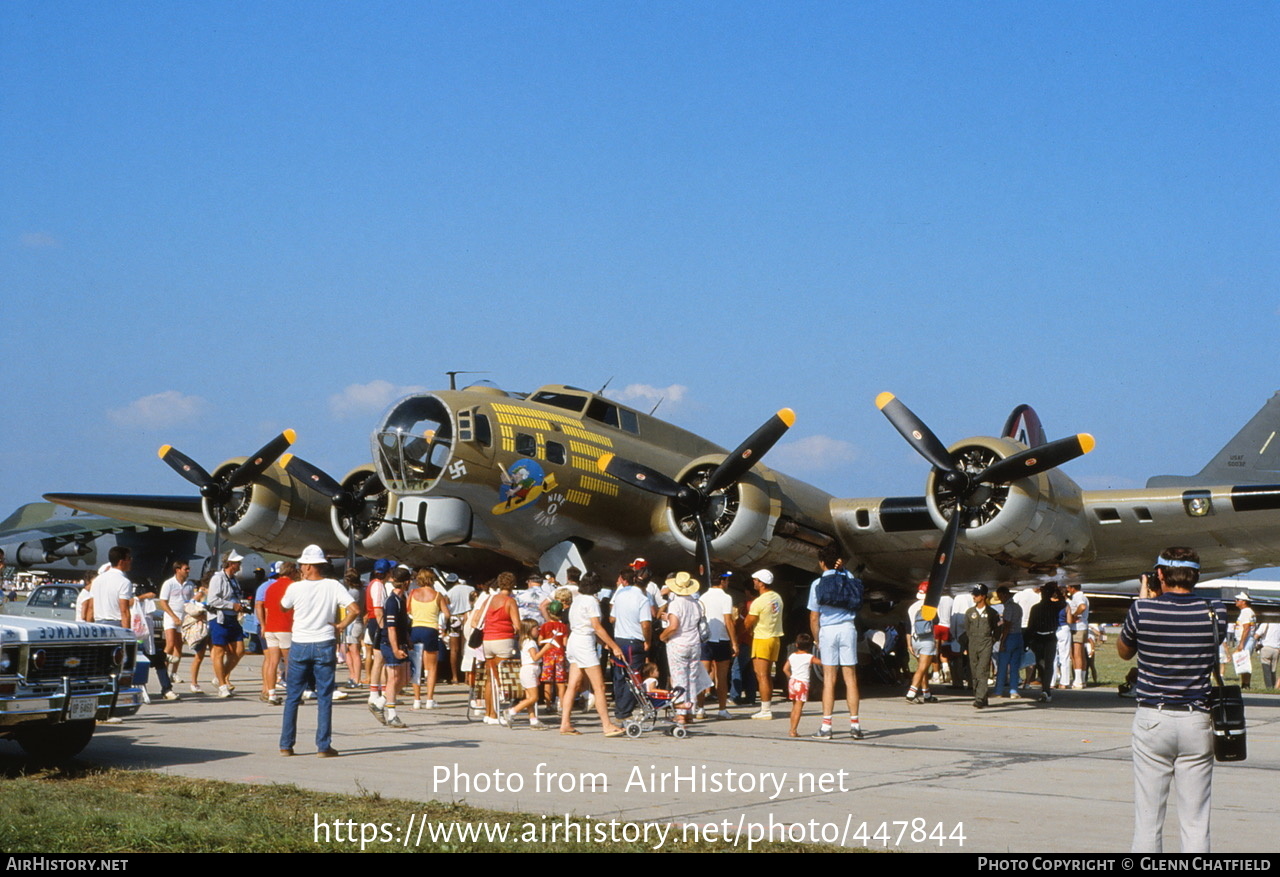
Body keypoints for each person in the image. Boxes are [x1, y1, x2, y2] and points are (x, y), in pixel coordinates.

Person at [1117, 547, 1225, 853]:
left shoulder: (1143, 610)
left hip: (1154, 717)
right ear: (1196, 576)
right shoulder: (1215, 610)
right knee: (1195, 820)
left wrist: (1145, 598)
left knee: (1148, 820)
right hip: (1197, 718)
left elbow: (1125, 652)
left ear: (1159, 574)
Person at [279, 545, 357, 757]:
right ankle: (323, 746)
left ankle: (286, 745)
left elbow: (283, 606)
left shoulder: (295, 587)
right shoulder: (333, 585)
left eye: (303, 564)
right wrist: (341, 625)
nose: (301, 567)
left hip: (300, 643)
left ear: (310, 566)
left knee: (293, 696)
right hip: (324, 642)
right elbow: (355, 609)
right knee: (324, 696)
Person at [806, 545, 864, 740]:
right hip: (848, 628)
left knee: (829, 679)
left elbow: (814, 617)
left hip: (828, 631)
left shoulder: (817, 584)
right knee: (851, 678)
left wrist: (816, 637)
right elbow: (852, 581)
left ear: (822, 563)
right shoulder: (849, 579)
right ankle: (855, 725)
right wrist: (843, 568)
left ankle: (826, 726)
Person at [559, 572, 625, 737]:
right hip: (585, 643)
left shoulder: (577, 600)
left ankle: (565, 723)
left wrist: (603, 643)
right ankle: (607, 725)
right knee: (599, 686)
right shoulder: (591, 602)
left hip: (575, 641)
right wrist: (614, 645)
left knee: (573, 685)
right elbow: (596, 626)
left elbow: (586, 626)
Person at [660, 572, 711, 727]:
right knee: (692, 678)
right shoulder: (695, 603)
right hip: (694, 643)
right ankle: (690, 711)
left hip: (678, 643)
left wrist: (663, 636)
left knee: (679, 678)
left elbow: (674, 625)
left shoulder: (676, 604)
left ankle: (681, 713)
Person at [609, 567, 652, 721]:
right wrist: (648, 641)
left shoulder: (619, 595)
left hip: (619, 639)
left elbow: (612, 618)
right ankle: (625, 711)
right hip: (634, 640)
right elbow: (646, 624)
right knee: (633, 675)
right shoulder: (642, 599)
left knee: (620, 676)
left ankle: (620, 708)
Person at [206, 550, 246, 698]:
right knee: (219, 651)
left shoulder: (234, 579)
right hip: (219, 618)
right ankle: (222, 686)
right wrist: (231, 605)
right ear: (230, 563)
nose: (239, 565)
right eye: (237, 563)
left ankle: (220, 675)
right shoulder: (218, 578)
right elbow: (212, 600)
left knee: (239, 650)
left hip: (233, 618)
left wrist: (239, 606)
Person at [408, 568, 450, 710]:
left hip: (416, 628)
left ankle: (417, 699)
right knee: (431, 668)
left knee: (416, 667)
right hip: (431, 629)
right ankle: (430, 699)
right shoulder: (437, 595)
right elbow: (447, 614)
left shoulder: (413, 593)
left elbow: (408, 610)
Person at [745, 569, 783, 720]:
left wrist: (748, 629)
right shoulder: (777, 597)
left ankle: (765, 709)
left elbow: (748, 621)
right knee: (767, 675)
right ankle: (766, 706)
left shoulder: (759, 601)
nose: (754, 582)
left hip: (762, 638)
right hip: (775, 637)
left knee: (761, 675)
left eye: (756, 580)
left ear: (761, 583)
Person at [257, 561, 295, 704]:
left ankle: (271, 693)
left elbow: (265, 608)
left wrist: (264, 625)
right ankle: (292, 693)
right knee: (290, 662)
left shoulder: (270, 587)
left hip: (271, 627)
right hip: (285, 626)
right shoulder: (292, 586)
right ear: (292, 572)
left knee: (272, 661)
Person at [700, 571, 737, 719]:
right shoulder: (726, 597)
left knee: (703, 675)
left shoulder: (703, 597)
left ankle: (700, 709)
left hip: (705, 639)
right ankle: (722, 709)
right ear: (722, 581)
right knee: (722, 677)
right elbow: (728, 620)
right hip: (721, 639)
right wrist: (734, 642)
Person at [965, 584, 999, 709]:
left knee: (982, 671)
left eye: (977, 594)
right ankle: (980, 696)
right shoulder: (970, 612)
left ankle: (980, 698)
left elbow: (997, 629)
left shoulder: (992, 613)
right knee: (974, 671)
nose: (974, 597)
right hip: (973, 642)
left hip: (986, 642)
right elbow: (967, 629)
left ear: (983, 596)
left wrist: (991, 641)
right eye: (973, 594)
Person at [905, 584, 939, 704]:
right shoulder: (930, 606)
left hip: (915, 639)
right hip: (927, 639)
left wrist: (909, 644)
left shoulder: (911, 607)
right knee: (922, 668)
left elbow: (908, 627)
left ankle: (927, 693)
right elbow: (936, 621)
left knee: (922, 667)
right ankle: (911, 693)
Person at [158, 560, 190, 683]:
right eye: (185, 569)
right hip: (171, 617)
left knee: (179, 646)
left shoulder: (190, 584)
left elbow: (190, 601)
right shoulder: (168, 583)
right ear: (177, 570)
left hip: (184, 618)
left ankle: (174, 673)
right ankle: (163, 671)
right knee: (170, 644)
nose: (188, 571)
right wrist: (173, 617)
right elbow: (163, 602)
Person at [785, 633, 820, 738]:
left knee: (794, 706)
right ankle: (793, 730)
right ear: (810, 647)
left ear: (796, 645)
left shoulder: (792, 656)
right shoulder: (809, 657)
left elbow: (785, 669)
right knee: (799, 708)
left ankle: (791, 728)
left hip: (793, 682)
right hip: (802, 683)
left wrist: (791, 676)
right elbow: (822, 663)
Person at [89, 547, 133, 627]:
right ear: (121, 562)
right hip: (115, 625)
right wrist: (128, 634)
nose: (131, 561)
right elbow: (124, 612)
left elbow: (91, 608)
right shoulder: (124, 582)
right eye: (129, 558)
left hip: (98, 624)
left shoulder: (97, 580)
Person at [994, 585, 1024, 698]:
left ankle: (998, 691)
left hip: (1009, 636)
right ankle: (1013, 690)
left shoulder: (1008, 608)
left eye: (1000, 596)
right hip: (1018, 635)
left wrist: (1002, 641)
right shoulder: (1018, 607)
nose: (1000, 599)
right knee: (1014, 666)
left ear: (1005, 595)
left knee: (1002, 665)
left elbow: (1007, 625)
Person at [1066, 582, 1090, 689]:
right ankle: (1082, 679)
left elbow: (1082, 607)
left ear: (1072, 588)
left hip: (1077, 628)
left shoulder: (1077, 597)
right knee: (1081, 654)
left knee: (1076, 654)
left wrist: (1074, 614)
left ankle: (1078, 680)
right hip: (1083, 626)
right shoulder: (1083, 596)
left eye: (1068, 587)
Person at [1232, 593, 1256, 688]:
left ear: (1244, 602)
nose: (1236, 601)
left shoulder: (1246, 612)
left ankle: (1246, 684)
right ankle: (1245, 683)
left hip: (1246, 640)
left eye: (1238, 600)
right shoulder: (1247, 611)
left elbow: (1246, 628)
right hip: (1247, 639)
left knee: (1244, 661)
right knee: (1244, 662)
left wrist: (1241, 643)